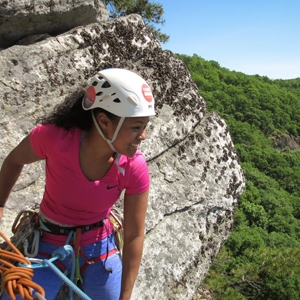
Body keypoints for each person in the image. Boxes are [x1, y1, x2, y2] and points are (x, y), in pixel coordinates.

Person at [0, 68, 155, 300]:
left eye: (144, 127)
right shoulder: (54, 138)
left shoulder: (134, 166)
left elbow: (134, 235)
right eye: (136, 127)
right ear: (104, 121)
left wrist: (125, 297)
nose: (142, 136)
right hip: (47, 239)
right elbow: (14, 160)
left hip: (98, 244)